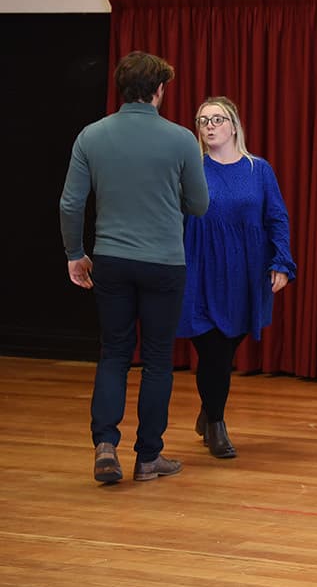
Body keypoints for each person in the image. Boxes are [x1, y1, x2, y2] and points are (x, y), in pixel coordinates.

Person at [59, 51, 209, 484]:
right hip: (164, 263)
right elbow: (199, 204)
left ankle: (105, 445)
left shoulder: (91, 136)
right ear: (159, 91)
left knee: (114, 354)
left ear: (121, 89)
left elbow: (71, 203)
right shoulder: (181, 139)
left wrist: (74, 253)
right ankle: (148, 458)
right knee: (159, 360)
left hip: (110, 261)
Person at [177, 97, 297, 458]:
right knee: (212, 349)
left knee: (226, 346)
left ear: (234, 125)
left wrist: (282, 261)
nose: (209, 126)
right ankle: (216, 425)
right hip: (199, 270)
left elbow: (276, 217)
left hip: (245, 272)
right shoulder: (191, 169)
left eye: (217, 118)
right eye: (202, 120)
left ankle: (207, 408)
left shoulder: (258, 169)